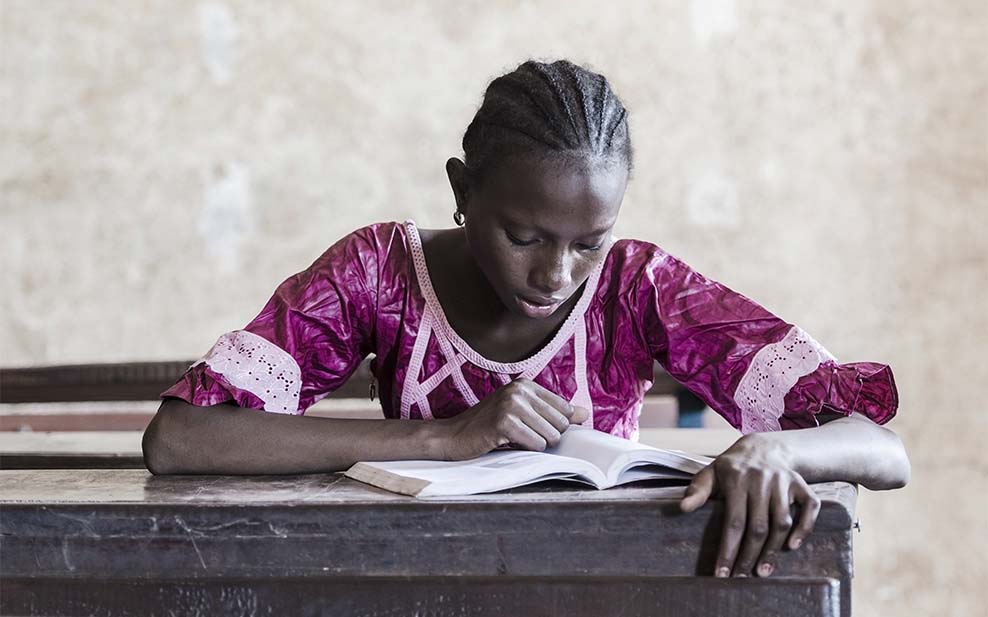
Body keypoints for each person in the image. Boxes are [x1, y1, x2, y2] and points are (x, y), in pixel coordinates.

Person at [142, 59, 910, 579]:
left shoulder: (639, 286)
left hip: (605, 582)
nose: (555, 273)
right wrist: (444, 435)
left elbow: (884, 449)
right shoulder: (380, 272)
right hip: (407, 580)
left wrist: (774, 450)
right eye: (524, 236)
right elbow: (178, 438)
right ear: (462, 191)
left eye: (588, 242)